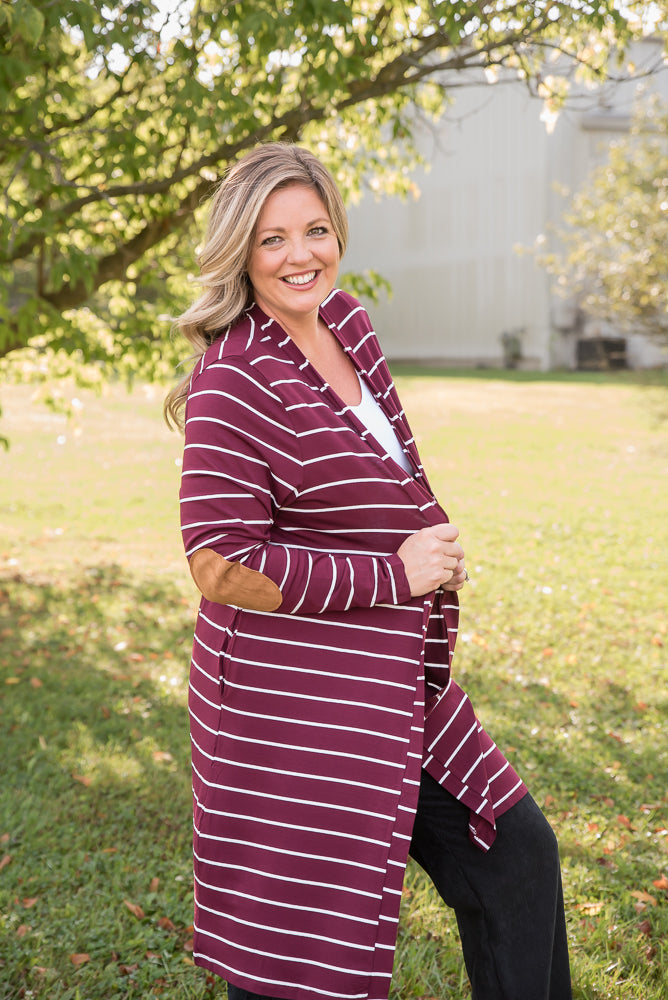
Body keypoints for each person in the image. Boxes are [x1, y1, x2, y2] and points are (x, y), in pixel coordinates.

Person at [165, 142, 572, 1000]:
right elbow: (220, 564)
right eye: (272, 239)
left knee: (517, 849)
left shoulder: (348, 324)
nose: (300, 254)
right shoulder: (232, 380)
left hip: (392, 682)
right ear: (240, 248)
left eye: (316, 230)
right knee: (298, 945)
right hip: (294, 704)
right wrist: (396, 573)